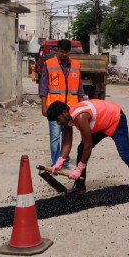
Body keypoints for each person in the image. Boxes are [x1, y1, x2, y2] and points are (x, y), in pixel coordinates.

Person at [45, 97, 129, 205]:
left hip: (115, 119)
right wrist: (60, 162)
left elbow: (89, 144)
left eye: (58, 120)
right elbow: (67, 143)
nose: (58, 123)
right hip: (101, 123)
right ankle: (80, 186)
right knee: (81, 148)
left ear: (64, 113)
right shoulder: (67, 119)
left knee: (125, 155)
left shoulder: (80, 116)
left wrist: (79, 169)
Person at [38, 38, 84, 167]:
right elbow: (43, 87)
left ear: (70, 52)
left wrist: (81, 106)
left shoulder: (76, 66)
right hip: (53, 108)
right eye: (62, 51)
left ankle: (65, 161)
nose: (64, 54)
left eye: (67, 52)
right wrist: (43, 106)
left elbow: (80, 89)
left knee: (67, 136)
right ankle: (55, 162)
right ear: (57, 50)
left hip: (69, 109)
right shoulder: (49, 64)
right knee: (55, 136)